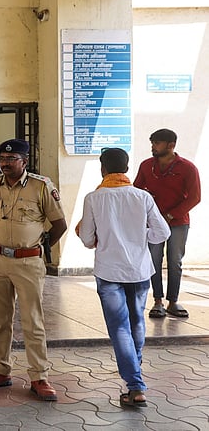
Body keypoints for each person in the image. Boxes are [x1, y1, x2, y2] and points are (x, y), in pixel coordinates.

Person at [0, 139, 67, 402]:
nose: (4, 163)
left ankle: (39, 376)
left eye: (10, 159)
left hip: (28, 261)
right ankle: (0, 370)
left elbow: (59, 224)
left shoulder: (41, 186)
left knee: (32, 321)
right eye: (2, 159)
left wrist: (42, 246)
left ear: (24, 161)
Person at [77, 147, 170, 408]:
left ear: (103, 169)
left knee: (119, 327)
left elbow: (86, 239)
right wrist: (141, 241)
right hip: (140, 270)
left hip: (109, 272)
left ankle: (136, 385)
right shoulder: (143, 197)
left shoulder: (94, 198)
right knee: (136, 321)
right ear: (127, 168)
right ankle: (134, 371)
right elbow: (162, 232)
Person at [133, 128, 201, 319]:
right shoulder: (146, 166)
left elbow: (195, 197)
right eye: (152, 143)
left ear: (171, 145)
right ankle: (157, 301)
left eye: (157, 143)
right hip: (152, 223)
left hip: (178, 222)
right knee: (153, 261)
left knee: (175, 261)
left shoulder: (187, 168)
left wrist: (170, 216)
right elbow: (136, 191)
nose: (153, 147)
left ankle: (173, 301)